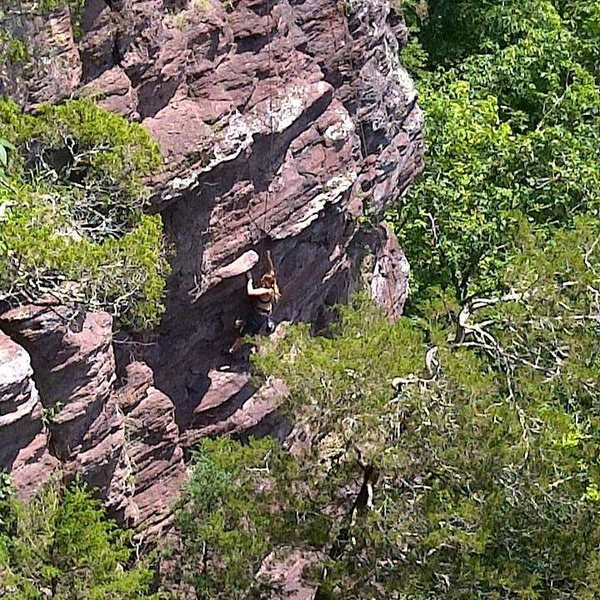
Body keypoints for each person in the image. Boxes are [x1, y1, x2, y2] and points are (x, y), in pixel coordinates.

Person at [228, 251, 281, 354]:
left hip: (258, 317)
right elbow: (271, 270)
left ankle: (231, 351)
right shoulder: (272, 285)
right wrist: (268, 257)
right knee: (256, 336)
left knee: (244, 333)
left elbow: (250, 292)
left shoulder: (267, 291)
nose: (261, 281)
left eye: (263, 281)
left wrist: (250, 280)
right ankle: (258, 355)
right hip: (263, 316)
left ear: (267, 282)